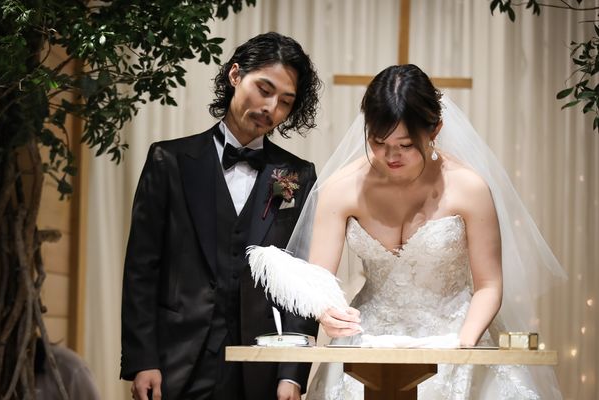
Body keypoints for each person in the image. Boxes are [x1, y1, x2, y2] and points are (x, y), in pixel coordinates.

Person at [279, 64, 565, 399]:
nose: (390, 155)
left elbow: (488, 286)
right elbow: (318, 282)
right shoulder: (341, 189)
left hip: (456, 333)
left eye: (405, 144)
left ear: (435, 130)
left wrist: (463, 347)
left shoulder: (468, 188)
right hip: (369, 338)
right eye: (378, 141)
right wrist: (326, 312)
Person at [120, 32, 322, 400]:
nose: (270, 107)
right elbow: (141, 269)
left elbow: (303, 283)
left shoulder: (297, 175)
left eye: (285, 102)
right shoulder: (169, 161)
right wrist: (142, 359)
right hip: (178, 359)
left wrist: (292, 374)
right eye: (264, 89)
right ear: (235, 75)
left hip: (261, 365)